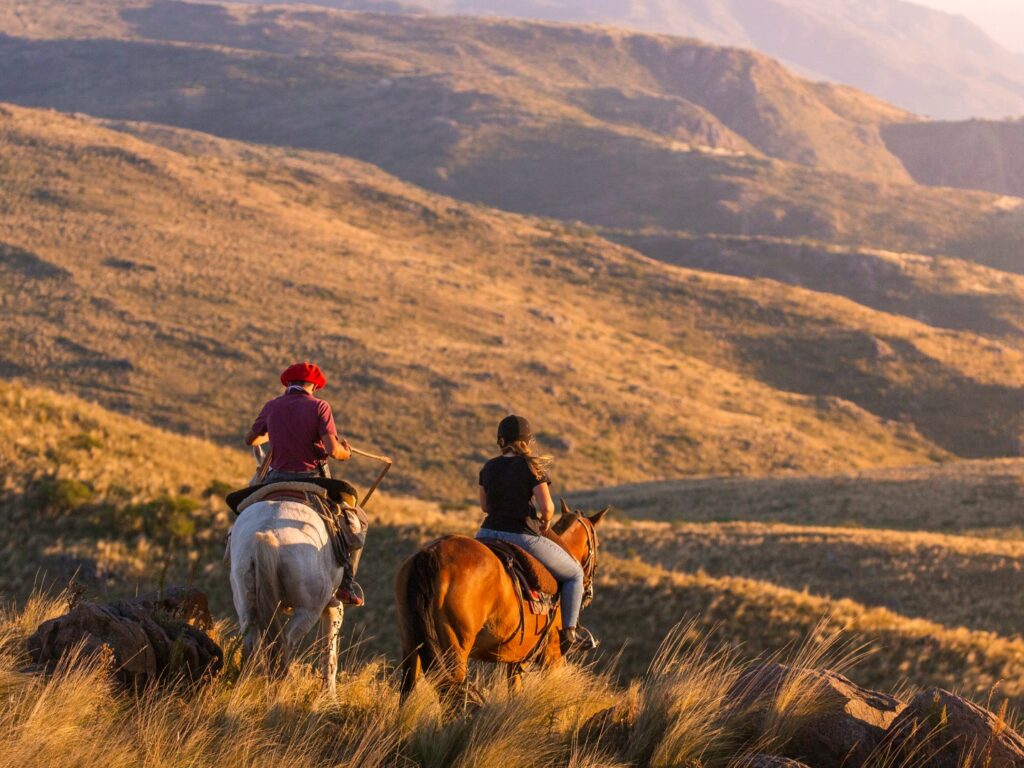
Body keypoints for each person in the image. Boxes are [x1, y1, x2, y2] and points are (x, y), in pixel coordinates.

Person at [244, 362, 364, 606]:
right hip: (312, 479)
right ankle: (346, 584)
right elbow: (332, 450)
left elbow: (252, 439)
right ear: (315, 386)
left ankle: (231, 553)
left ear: (288, 383)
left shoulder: (272, 406)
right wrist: (346, 452)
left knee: (245, 512)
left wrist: (276, 430)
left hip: (274, 478)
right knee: (355, 520)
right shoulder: (320, 406)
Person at [475, 415, 592, 653]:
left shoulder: (488, 467)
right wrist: (545, 522)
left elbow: (485, 507)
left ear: (501, 440)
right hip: (519, 535)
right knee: (575, 574)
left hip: (485, 534)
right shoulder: (530, 466)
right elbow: (547, 506)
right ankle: (570, 632)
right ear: (527, 441)